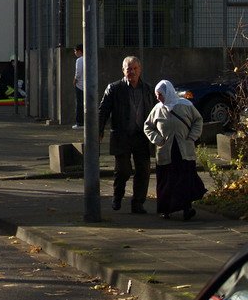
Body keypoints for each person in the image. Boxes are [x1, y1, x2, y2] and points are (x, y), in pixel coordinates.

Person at [98, 55, 155, 213]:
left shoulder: (148, 89)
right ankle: (118, 195)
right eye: (129, 69)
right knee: (123, 170)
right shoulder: (114, 88)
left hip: (142, 136)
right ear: (123, 70)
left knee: (143, 170)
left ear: (140, 70)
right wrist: (99, 130)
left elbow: (156, 111)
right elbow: (103, 110)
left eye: (135, 68)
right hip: (122, 135)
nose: (132, 72)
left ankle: (138, 203)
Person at [145, 80, 207, 221]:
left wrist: (192, 137)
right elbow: (147, 126)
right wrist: (157, 139)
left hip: (183, 150)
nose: (158, 98)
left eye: (160, 94)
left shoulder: (186, 105)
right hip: (165, 152)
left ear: (168, 93)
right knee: (166, 182)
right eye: (156, 95)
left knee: (184, 180)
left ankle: (187, 208)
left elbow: (198, 120)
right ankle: (165, 209)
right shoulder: (157, 109)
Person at [72, 44, 85, 129]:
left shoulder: (79, 60)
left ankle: (79, 123)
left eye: (75, 51)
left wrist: (75, 80)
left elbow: (78, 73)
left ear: (79, 51)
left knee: (79, 104)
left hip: (80, 85)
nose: (74, 53)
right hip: (87, 86)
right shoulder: (89, 58)